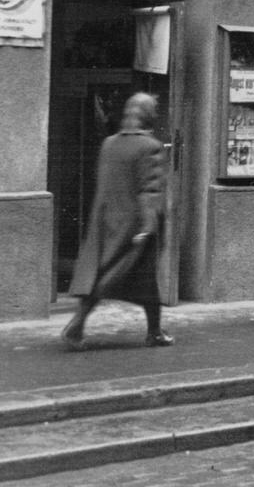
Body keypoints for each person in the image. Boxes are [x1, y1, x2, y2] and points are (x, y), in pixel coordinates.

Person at [62, 92, 171, 350]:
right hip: (134, 228)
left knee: (107, 276)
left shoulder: (109, 144)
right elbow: (150, 190)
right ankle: (76, 327)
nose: (155, 113)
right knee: (137, 280)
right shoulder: (150, 147)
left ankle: (153, 331)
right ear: (147, 116)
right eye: (153, 110)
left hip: (107, 223)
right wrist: (147, 227)